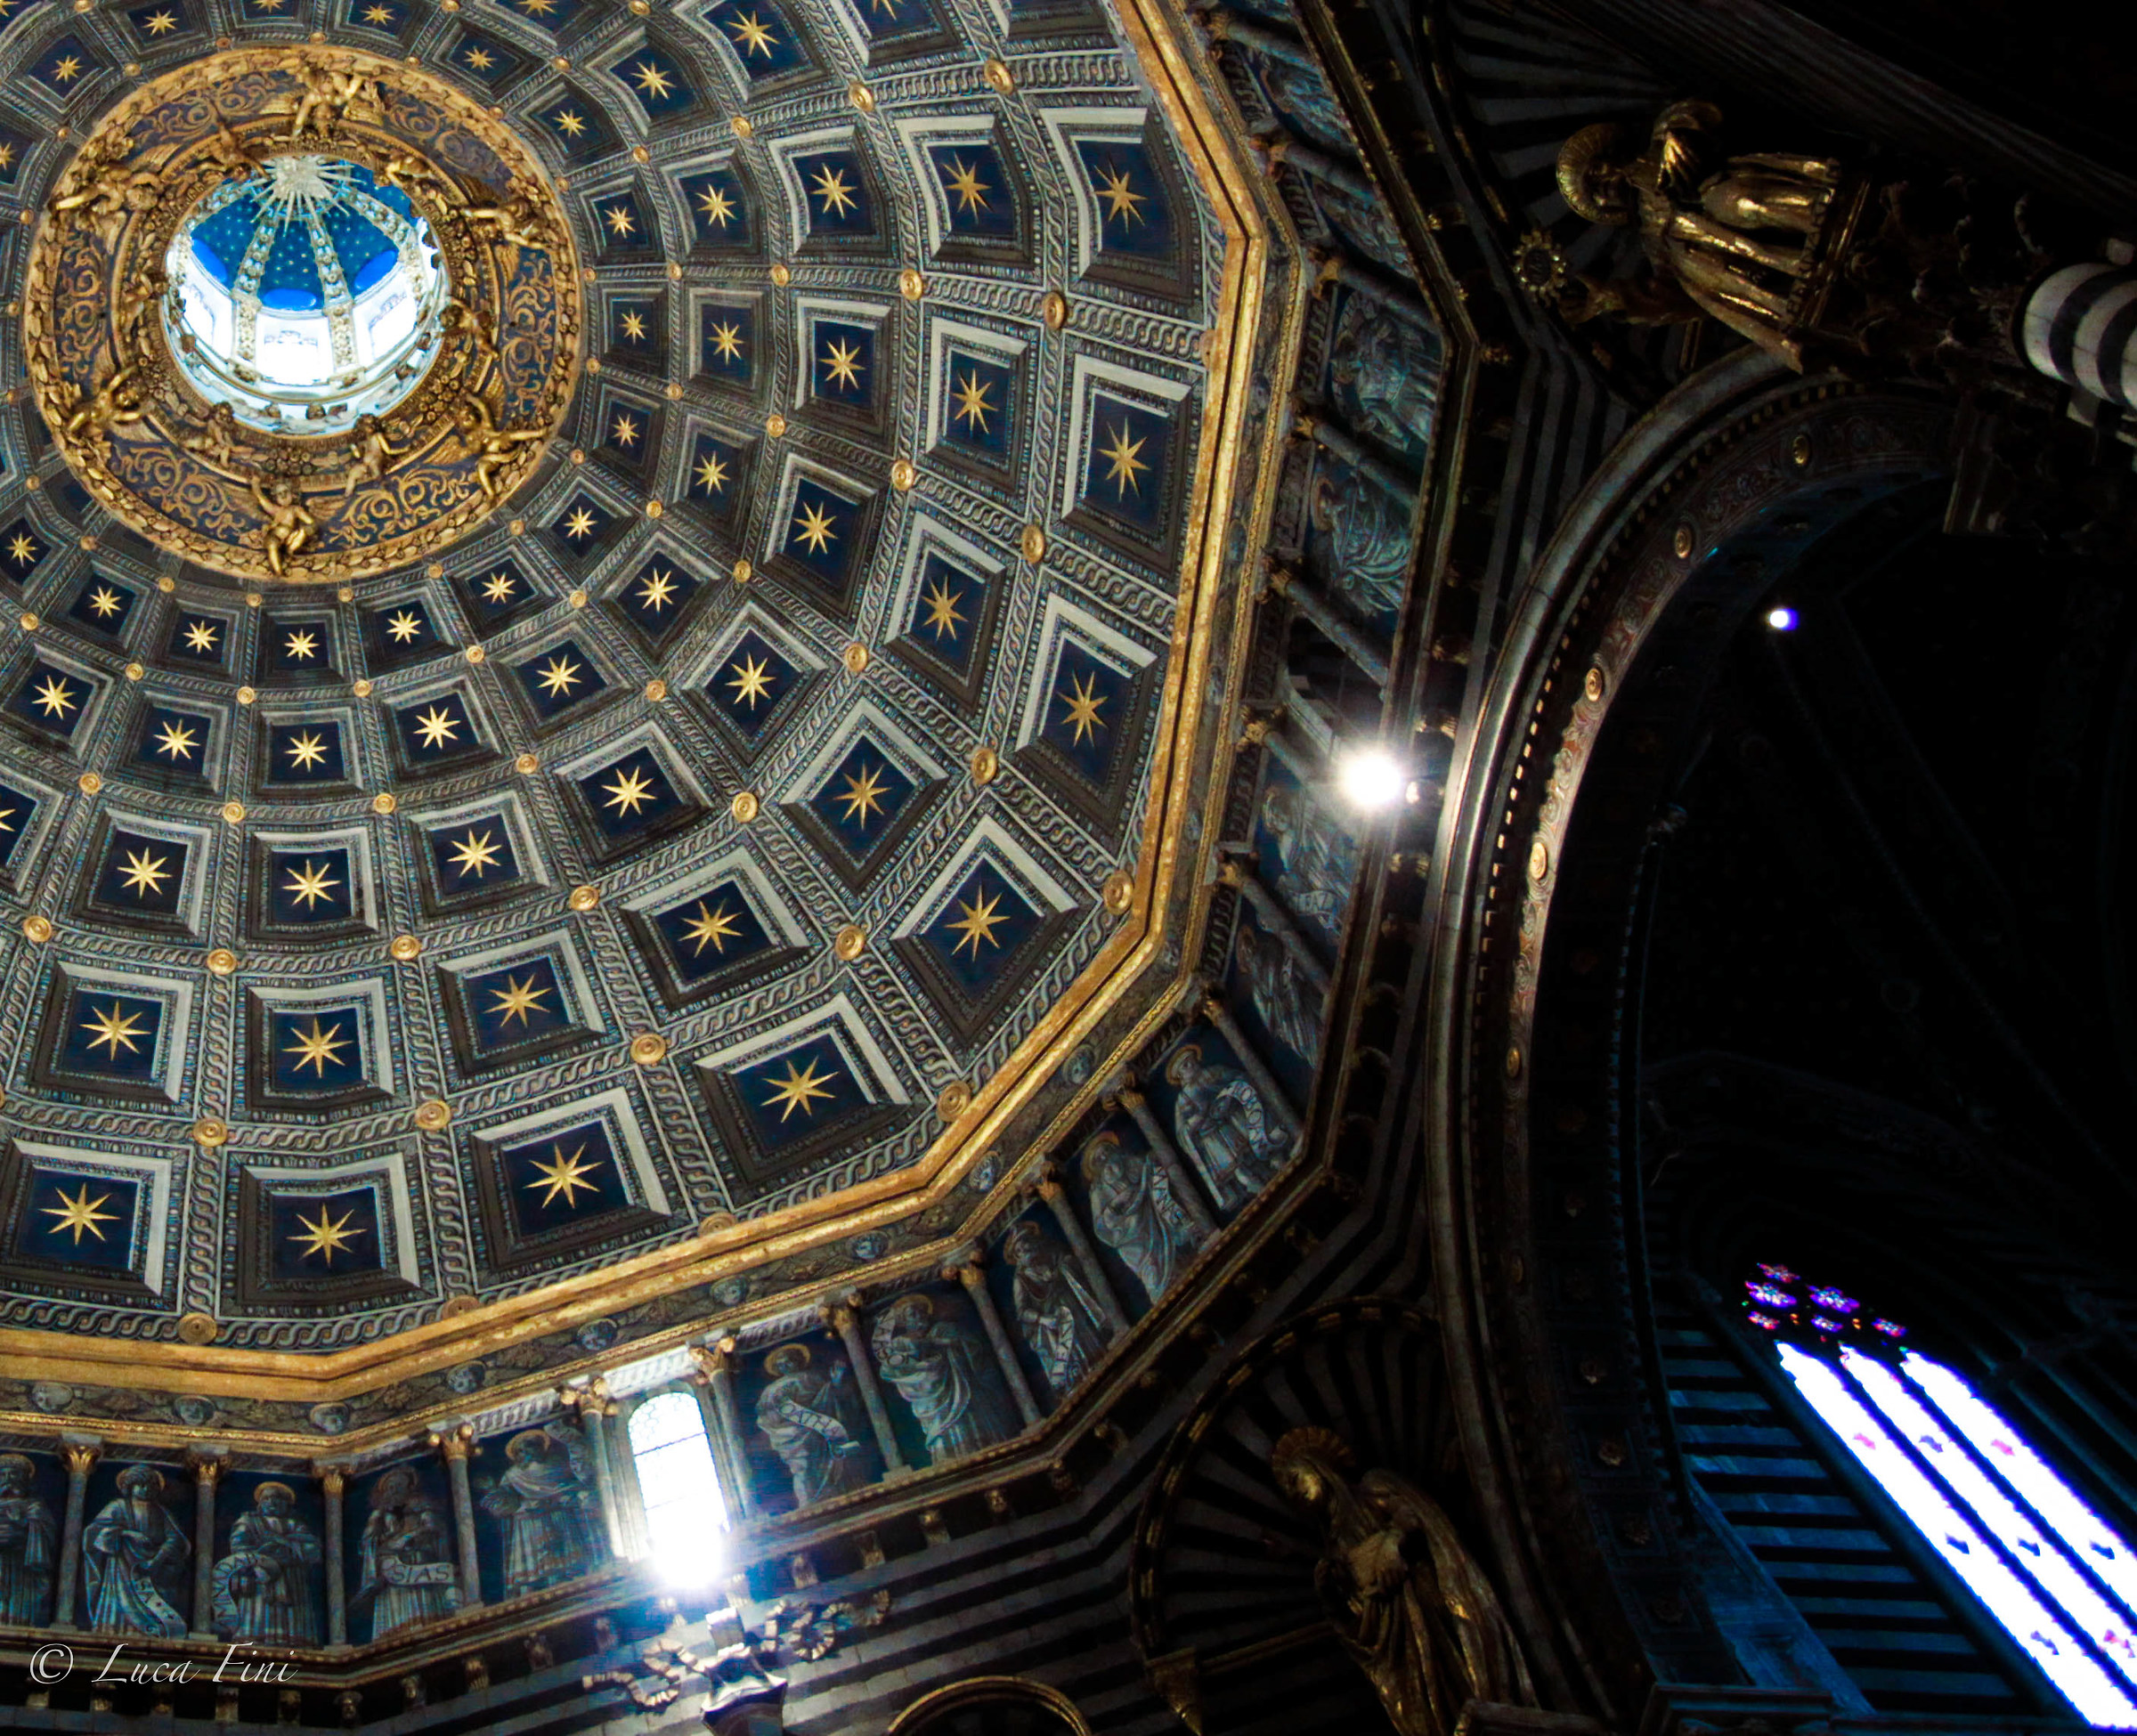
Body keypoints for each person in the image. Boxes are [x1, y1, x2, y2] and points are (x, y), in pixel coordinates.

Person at [1272, 1428, 1535, 1736]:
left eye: (1295, 1478)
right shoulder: (1335, 1551)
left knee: (1468, 1673)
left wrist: (1392, 1542)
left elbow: (1414, 1514)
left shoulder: (1372, 1487)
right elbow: (1360, 1630)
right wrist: (1331, 1595)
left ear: (1317, 1465)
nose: (1295, 1492)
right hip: (1399, 1645)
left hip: (1428, 1599)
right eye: (1288, 1494)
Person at [869, 1294, 1018, 1463]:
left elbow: (973, 1348)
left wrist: (945, 1343)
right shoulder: (900, 1342)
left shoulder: (943, 1329)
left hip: (962, 1388)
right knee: (944, 1431)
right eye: (913, 1314)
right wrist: (920, 1361)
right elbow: (889, 1368)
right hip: (931, 1396)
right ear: (905, 1321)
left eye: (922, 1311)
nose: (919, 1316)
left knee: (974, 1422)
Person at [479, 1427, 602, 1597]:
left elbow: (572, 1485)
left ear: (539, 1448)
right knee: (534, 1566)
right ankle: (531, 1591)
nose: (525, 1452)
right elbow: (506, 1500)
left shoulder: (557, 1466)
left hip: (559, 1516)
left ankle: (574, 1581)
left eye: (530, 1447)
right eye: (520, 1450)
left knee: (568, 1559)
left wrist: (564, 1497)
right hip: (529, 1522)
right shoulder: (512, 1475)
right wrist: (492, 1490)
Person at [1084, 1132, 1202, 1306]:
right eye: (1099, 1158)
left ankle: (1188, 1246)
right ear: (1096, 1166)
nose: (1105, 1157)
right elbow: (1102, 1225)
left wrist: (1152, 1166)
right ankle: (1158, 1285)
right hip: (1129, 1230)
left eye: (1106, 1151)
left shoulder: (1131, 1162)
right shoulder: (1098, 1189)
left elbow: (1150, 1172)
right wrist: (1117, 1206)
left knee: (1165, 1208)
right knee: (1144, 1247)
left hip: (1151, 1207)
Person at [1166, 1044, 1288, 1212]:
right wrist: (1198, 1119)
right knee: (1238, 1169)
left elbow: (1240, 1078)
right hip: (1213, 1137)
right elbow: (1182, 1132)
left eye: (1192, 1061)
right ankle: (1260, 1190)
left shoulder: (1214, 1072)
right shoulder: (1182, 1099)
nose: (1191, 1065)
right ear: (1179, 1075)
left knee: (1258, 1147)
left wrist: (1229, 1098)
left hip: (1236, 1118)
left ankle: (1279, 1164)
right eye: (1185, 1065)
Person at [1003, 1220, 1111, 1398]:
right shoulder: (1020, 1280)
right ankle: (1075, 1379)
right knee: (1059, 1339)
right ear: (1017, 1257)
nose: (1026, 1251)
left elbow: (1071, 1261)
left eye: (1027, 1244)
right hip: (1051, 1318)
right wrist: (1044, 1319)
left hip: (1071, 1302)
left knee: (1085, 1333)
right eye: (1020, 1251)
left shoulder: (1053, 1253)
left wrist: (1062, 1270)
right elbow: (1022, 1312)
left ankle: (1099, 1358)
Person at [754, 1345, 871, 1508]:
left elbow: (828, 1398)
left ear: (798, 1362)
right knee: (804, 1468)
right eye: (780, 1364)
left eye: (788, 1362)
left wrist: (835, 1383)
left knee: (833, 1465)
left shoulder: (811, 1378)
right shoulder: (771, 1389)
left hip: (820, 1432)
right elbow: (766, 1415)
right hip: (791, 1436)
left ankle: (836, 1495)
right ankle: (809, 1504)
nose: (784, 1366)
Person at [83, 1464, 189, 1636]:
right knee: (120, 1600)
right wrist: (127, 1533)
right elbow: (94, 1533)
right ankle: (116, 1628)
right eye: (141, 1485)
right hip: (121, 1567)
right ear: (130, 1487)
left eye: (151, 1485)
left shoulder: (161, 1513)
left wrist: (157, 1559)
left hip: (152, 1569)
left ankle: (147, 1631)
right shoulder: (117, 1506)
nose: (146, 1489)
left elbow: (175, 1539)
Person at [355, 1465, 459, 1638]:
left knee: (422, 1602)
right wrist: (376, 1521)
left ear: (409, 1487)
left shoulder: (421, 1505)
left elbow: (433, 1529)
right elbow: (369, 1541)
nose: (394, 1490)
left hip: (418, 1559)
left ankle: (424, 1624)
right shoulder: (382, 1514)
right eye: (390, 1487)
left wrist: (407, 1539)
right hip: (391, 1568)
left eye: (398, 1485)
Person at [212, 1481, 321, 1643]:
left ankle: (294, 1639)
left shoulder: (296, 1526)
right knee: (258, 1611)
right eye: (267, 1498)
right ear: (260, 1503)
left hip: (291, 1577)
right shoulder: (248, 1522)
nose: (272, 1502)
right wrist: (260, 1556)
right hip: (259, 1575)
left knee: (290, 1617)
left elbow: (312, 1549)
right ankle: (255, 1638)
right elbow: (238, 1545)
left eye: (278, 1498)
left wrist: (288, 1548)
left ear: (287, 1504)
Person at [0, 1455, 55, 1627]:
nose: (8, 1480)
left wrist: (22, 1530)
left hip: (21, 1564)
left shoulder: (35, 1506)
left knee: (18, 1602)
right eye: (3, 1475)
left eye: (14, 1475)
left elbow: (47, 1535)